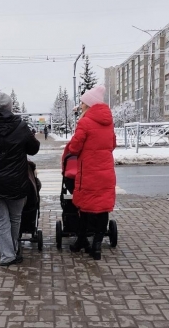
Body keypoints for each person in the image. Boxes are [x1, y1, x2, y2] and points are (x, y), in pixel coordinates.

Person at [0, 92, 40, 266]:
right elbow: (33, 149)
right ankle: (10, 252)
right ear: (10, 108)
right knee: (15, 218)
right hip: (17, 181)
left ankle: (8, 253)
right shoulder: (21, 127)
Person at [65, 85, 116, 260]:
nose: (81, 106)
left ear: (88, 104)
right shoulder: (109, 122)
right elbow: (112, 144)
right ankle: (96, 246)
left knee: (84, 206)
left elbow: (75, 146)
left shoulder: (85, 122)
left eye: (82, 103)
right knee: (102, 208)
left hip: (88, 171)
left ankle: (81, 240)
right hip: (106, 171)